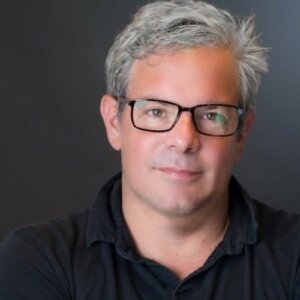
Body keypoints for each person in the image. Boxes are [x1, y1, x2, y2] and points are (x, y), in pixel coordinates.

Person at [0, 0, 299, 299]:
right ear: (113, 122)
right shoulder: (39, 261)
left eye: (211, 115)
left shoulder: (295, 255)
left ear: (242, 134)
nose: (183, 140)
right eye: (156, 112)